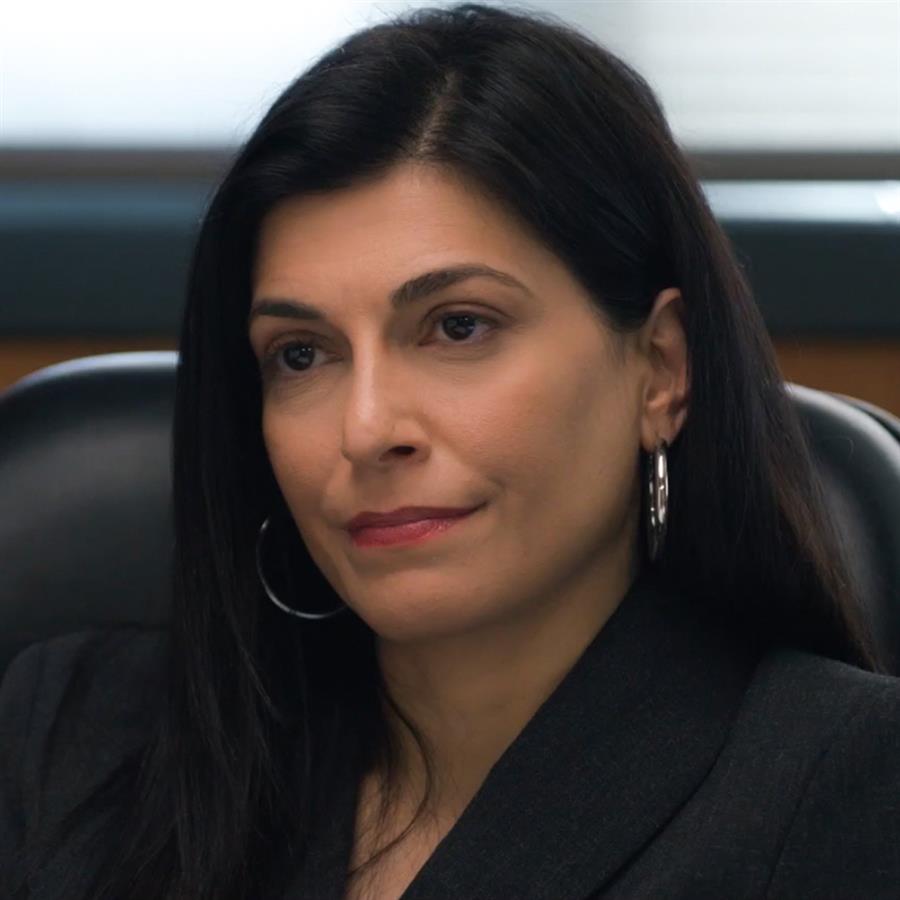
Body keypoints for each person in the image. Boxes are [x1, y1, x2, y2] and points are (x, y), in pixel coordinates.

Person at [1, 3, 898, 898]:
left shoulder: (850, 786)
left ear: (661, 369)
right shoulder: (75, 737)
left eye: (459, 326)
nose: (365, 429)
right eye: (302, 354)